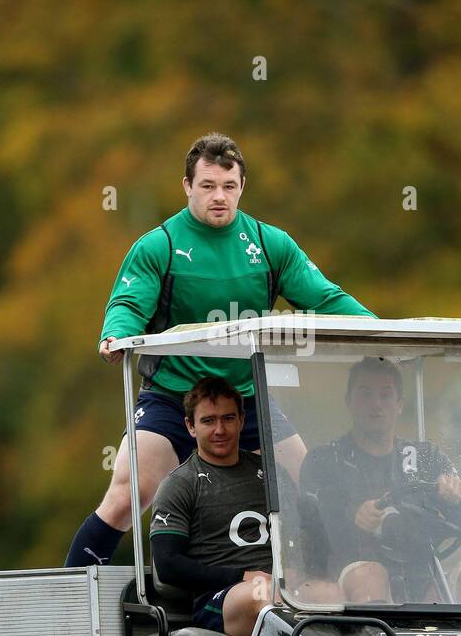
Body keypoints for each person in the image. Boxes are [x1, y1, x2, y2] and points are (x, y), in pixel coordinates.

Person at [64, 132, 374, 567]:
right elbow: (129, 302)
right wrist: (116, 334)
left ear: (242, 187)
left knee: (314, 489)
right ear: (187, 186)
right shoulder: (160, 245)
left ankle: (335, 596)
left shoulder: (270, 244)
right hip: (174, 397)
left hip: (246, 397)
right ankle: (75, 602)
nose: (219, 197)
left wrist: (379, 334)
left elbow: (325, 299)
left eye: (229, 187)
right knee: (127, 494)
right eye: (208, 186)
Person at [148, 377, 340, 636]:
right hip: (222, 596)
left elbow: (302, 532)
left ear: (241, 420)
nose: (219, 429)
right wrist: (242, 575)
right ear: (190, 427)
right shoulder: (180, 483)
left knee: (335, 595)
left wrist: (302, 570)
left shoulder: (273, 475)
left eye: (228, 418)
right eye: (208, 421)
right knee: (264, 593)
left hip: (280, 586)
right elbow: (168, 564)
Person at [299, 357, 461, 604]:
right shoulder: (324, 458)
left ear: (399, 404)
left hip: (423, 581)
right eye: (365, 394)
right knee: (371, 575)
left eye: (385, 395)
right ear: (349, 402)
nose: (376, 404)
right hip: (350, 579)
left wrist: (455, 501)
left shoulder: (428, 456)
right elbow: (309, 529)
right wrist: (354, 515)